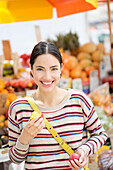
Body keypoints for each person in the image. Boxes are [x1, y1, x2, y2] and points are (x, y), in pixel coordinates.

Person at [8, 41, 108, 170]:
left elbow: (100, 134)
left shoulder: (78, 100)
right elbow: (15, 159)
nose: (47, 76)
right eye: (40, 69)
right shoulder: (18, 108)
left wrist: (84, 150)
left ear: (61, 69)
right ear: (31, 69)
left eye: (54, 69)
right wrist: (24, 139)